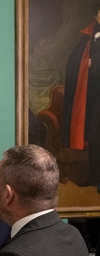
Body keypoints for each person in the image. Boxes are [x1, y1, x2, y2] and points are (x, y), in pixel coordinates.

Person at [62, 2, 100, 188]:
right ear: (96, 15)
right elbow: (75, 61)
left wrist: (93, 65)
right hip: (92, 99)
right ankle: (94, 179)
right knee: (94, 140)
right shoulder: (88, 36)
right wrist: (87, 65)